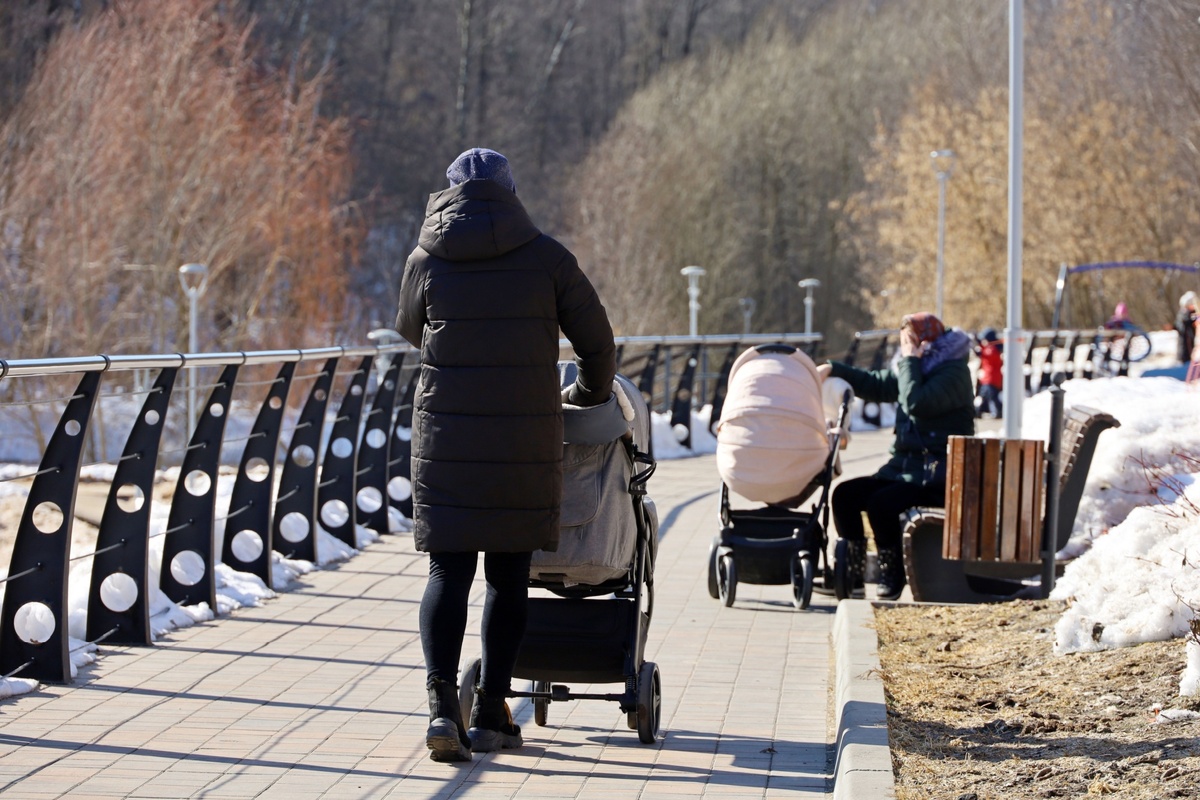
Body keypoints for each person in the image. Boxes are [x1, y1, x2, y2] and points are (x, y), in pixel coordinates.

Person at [396, 147, 616, 762]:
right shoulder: (548, 258)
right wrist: (591, 393)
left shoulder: (425, 257)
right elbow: (598, 343)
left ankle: (443, 710)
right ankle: (492, 709)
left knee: (447, 573)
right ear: (511, 193)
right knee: (507, 578)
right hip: (523, 441)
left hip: (447, 442)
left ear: (450, 194)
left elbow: (411, 328)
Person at [817, 312, 975, 600]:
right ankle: (851, 575)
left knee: (882, 504)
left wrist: (909, 360)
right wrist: (833, 369)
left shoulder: (954, 373)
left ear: (924, 341)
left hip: (937, 474)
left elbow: (916, 401)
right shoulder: (919, 367)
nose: (904, 348)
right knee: (844, 495)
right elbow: (878, 385)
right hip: (906, 470)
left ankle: (893, 573)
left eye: (908, 341)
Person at [974, 327, 1003, 419]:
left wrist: (977, 347)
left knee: (991, 397)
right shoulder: (993, 348)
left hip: (991, 379)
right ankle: (980, 411)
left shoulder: (992, 350)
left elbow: (984, 353)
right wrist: (977, 340)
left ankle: (999, 412)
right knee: (985, 396)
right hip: (989, 379)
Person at [1175, 291, 1197, 365]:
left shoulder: (1187, 313)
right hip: (1186, 341)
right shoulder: (1185, 313)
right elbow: (1187, 322)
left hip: (1189, 339)